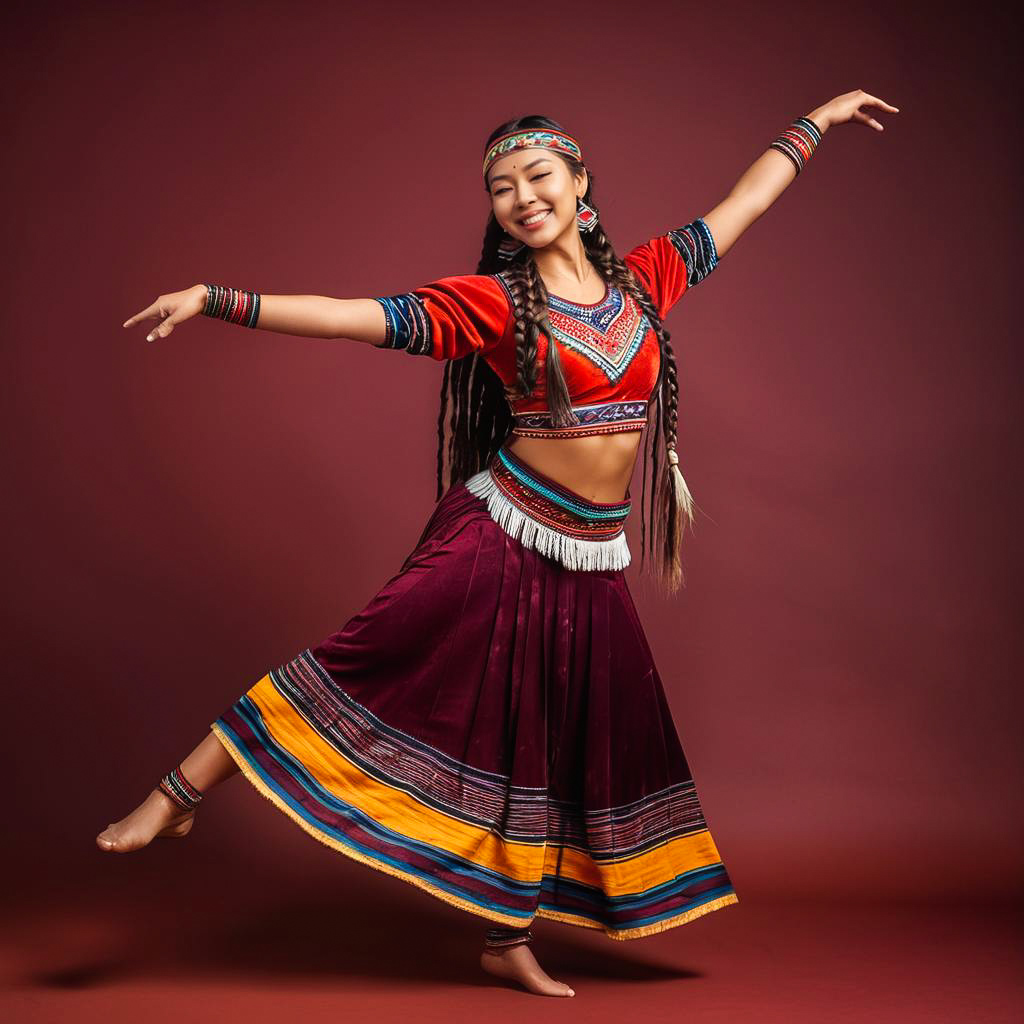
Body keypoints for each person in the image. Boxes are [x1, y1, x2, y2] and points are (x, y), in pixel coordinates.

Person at [101, 94, 899, 998]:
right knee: (360, 656)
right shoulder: (490, 304)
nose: (522, 196)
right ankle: (179, 794)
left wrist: (817, 125)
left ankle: (503, 936)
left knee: (551, 741)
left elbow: (743, 203)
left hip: (591, 557)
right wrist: (216, 298)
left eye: (538, 176)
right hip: (500, 533)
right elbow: (349, 315)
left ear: (581, 184)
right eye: (501, 187)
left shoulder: (647, 280)